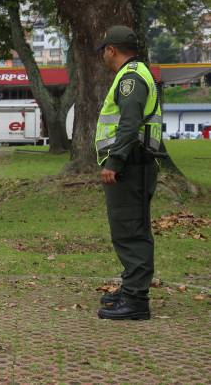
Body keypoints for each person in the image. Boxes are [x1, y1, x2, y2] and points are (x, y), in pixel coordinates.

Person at [95, 25, 162, 321]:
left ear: (111, 50)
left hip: (131, 166)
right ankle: (131, 287)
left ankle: (136, 300)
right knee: (127, 228)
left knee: (131, 230)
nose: (103, 58)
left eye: (104, 52)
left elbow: (129, 122)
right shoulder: (136, 73)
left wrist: (115, 161)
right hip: (135, 164)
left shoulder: (130, 79)